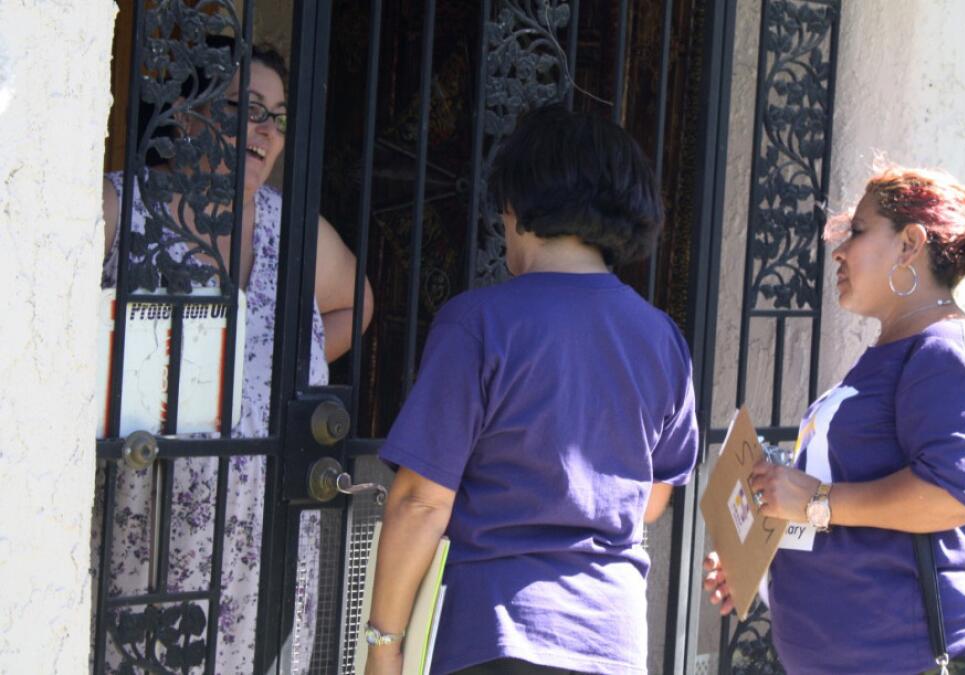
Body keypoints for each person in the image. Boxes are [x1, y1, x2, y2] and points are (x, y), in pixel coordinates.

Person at [363, 105, 699, 675]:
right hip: (614, 639)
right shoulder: (662, 338)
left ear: (519, 207)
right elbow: (655, 496)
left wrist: (384, 645)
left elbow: (421, 501)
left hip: (496, 632)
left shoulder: (477, 323)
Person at [703, 164, 965, 674]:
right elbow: (851, 512)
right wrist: (760, 551)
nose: (839, 251)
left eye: (857, 231)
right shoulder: (895, 352)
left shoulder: (949, 353)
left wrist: (817, 502)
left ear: (911, 243)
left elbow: (952, 494)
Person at [98, 37, 373, 672]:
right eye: (246, 107)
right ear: (186, 111)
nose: (264, 131)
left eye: (275, 117)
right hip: (149, 534)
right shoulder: (123, 208)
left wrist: (287, 367)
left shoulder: (291, 226)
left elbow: (355, 305)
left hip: (269, 534)